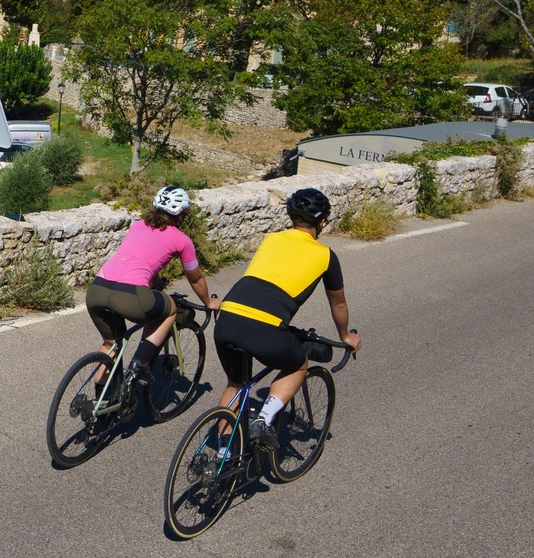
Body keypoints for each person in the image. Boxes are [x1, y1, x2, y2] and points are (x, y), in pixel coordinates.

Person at [211, 187, 362, 449]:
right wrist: (345, 335)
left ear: (291, 217)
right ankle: (264, 419)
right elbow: (337, 302)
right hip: (265, 326)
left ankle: (222, 452)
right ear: (322, 221)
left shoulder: (271, 239)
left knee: (235, 383)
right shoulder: (326, 256)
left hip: (228, 317)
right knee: (298, 364)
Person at [86, 186, 220, 381]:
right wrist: (209, 302)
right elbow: (196, 277)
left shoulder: (138, 225)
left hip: (97, 289)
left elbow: (142, 260)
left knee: (111, 344)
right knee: (171, 309)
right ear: (180, 215)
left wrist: (156, 283)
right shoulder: (182, 241)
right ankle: (140, 363)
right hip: (130, 295)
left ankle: (100, 405)